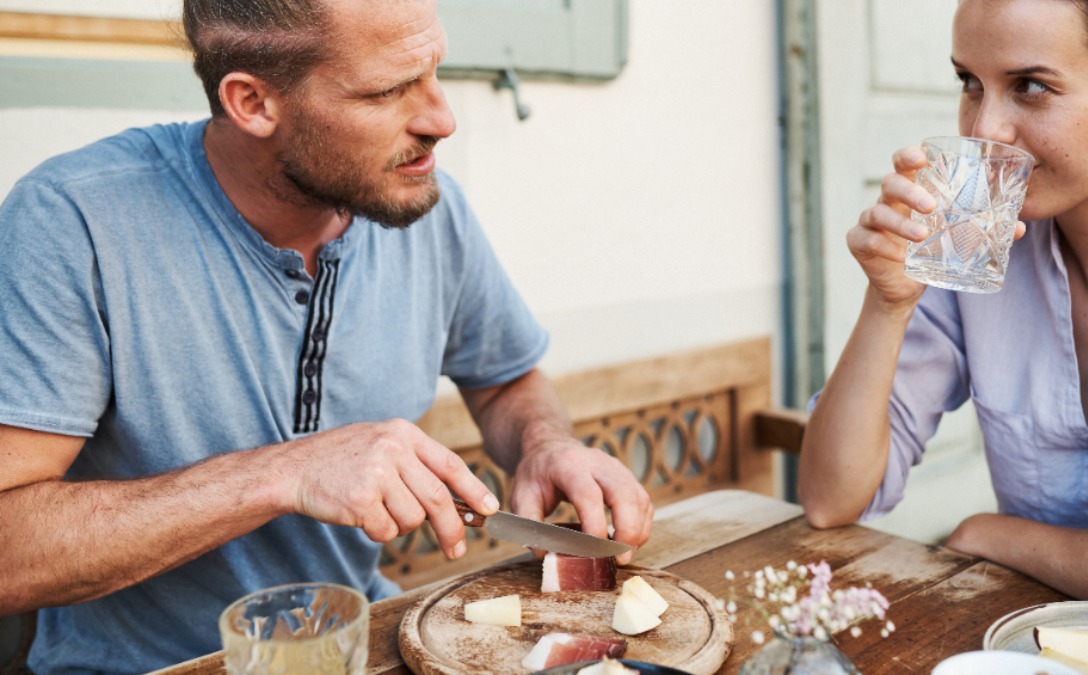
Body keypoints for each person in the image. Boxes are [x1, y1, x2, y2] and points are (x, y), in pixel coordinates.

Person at [0, 0, 653, 672]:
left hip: (364, 643)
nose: (441, 118)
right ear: (253, 102)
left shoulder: (431, 209)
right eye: (387, 90)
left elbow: (505, 379)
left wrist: (544, 444)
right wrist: (283, 472)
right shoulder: (73, 219)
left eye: (432, 72)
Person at [799, 0, 1088, 613]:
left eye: (1031, 87)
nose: (984, 131)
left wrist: (990, 535)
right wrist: (888, 304)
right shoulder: (975, 235)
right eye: (970, 83)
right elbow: (832, 499)